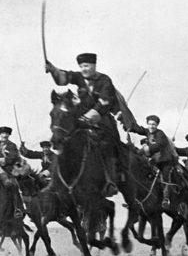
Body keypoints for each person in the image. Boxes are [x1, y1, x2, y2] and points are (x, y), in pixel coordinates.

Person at [45, 52, 137, 196]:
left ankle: (109, 181)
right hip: (81, 121)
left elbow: (104, 103)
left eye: (86, 66)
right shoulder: (79, 77)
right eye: (81, 66)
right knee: (63, 140)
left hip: (102, 122)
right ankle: (56, 181)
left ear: (94, 65)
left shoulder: (104, 80)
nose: (84, 69)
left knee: (107, 145)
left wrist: (86, 119)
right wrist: (52, 70)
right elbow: (64, 78)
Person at [128, 115, 179, 208]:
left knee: (165, 177)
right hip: (154, 160)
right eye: (150, 124)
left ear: (157, 125)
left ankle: (166, 199)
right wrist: (129, 126)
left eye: (154, 124)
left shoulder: (160, 134)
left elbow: (158, 146)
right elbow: (139, 129)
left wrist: (142, 151)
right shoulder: (147, 131)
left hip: (165, 161)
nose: (151, 126)